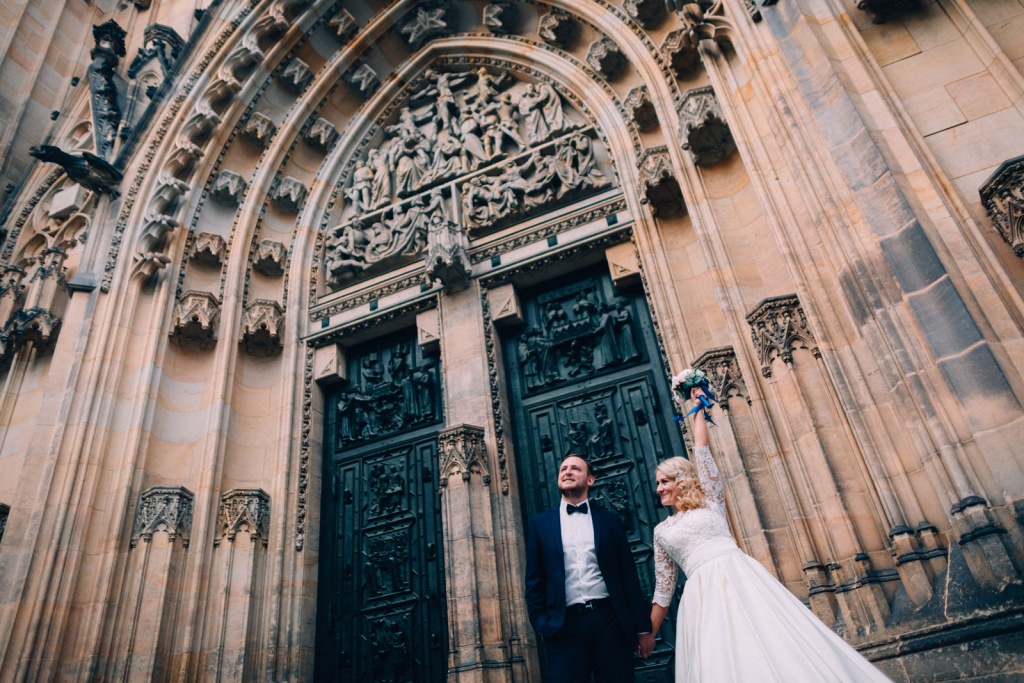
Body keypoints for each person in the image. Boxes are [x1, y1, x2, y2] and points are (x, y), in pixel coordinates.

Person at [637, 370, 892, 682]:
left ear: (682, 480)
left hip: (740, 576)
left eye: (665, 481)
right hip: (702, 597)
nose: (659, 489)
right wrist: (649, 634)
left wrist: (698, 408)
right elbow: (663, 590)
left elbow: (701, 449)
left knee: (773, 641)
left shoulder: (710, 500)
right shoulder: (662, 532)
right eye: (657, 483)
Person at [525, 454, 651, 683]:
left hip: (610, 622)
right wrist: (542, 625)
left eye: (575, 468)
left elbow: (628, 576)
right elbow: (534, 580)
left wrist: (642, 629)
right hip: (563, 626)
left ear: (590, 480)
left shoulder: (610, 521)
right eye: (563, 469)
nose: (567, 472)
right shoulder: (540, 524)